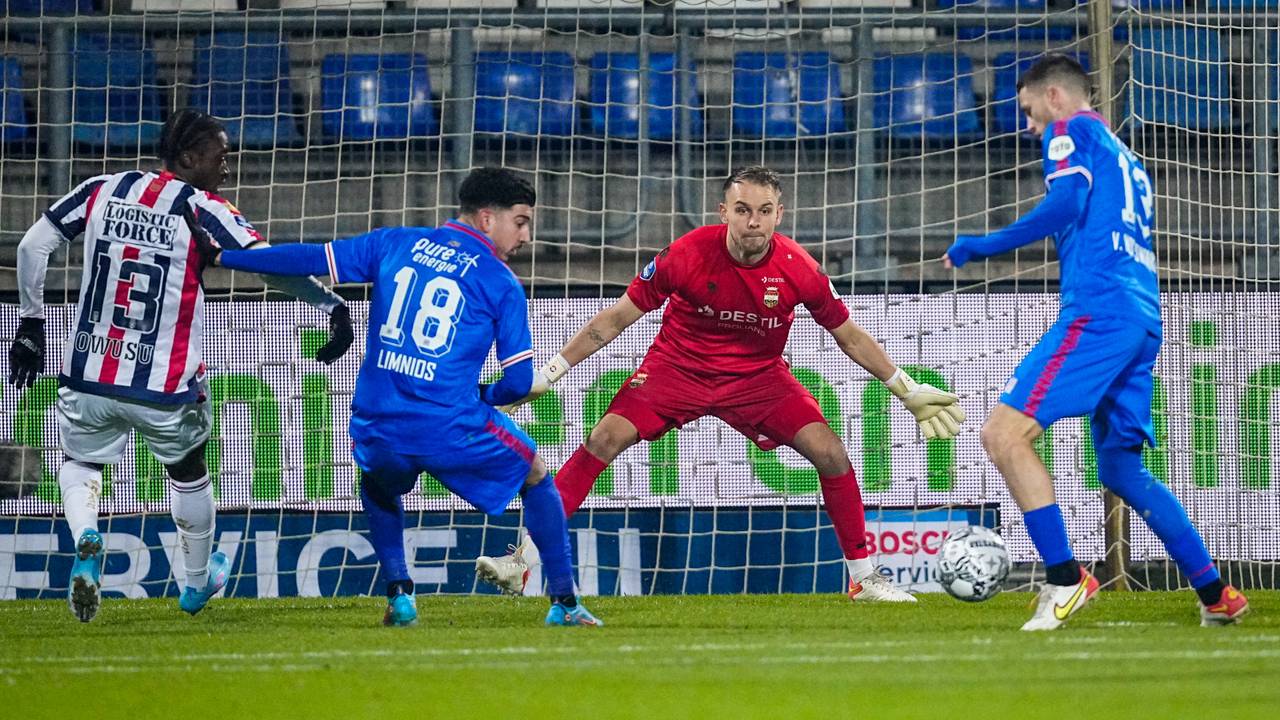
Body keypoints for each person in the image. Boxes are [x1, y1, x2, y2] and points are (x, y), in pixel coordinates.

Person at [476, 166, 965, 602]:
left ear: (780, 214)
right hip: (677, 369)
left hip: (758, 378)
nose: (754, 222)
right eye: (743, 210)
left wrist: (907, 389)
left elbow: (850, 335)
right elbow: (616, 319)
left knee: (833, 454)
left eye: (765, 211)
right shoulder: (685, 254)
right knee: (602, 439)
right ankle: (523, 561)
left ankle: (864, 579)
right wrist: (550, 373)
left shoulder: (800, 270)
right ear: (723, 212)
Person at [192, 167, 601, 627]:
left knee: (377, 483)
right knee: (536, 475)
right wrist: (483, 394)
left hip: (377, 421)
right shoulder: (499, 281)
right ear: (487, 219)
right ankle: (565, 602)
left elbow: (307, 259)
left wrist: (224, 258)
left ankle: (400, 595)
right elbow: (518, 382)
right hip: (448, 424)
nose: (526, 235)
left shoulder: (393, 243)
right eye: (521, 221)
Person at [9, 109, 353, 622]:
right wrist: (330, 306)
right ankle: (195, 584)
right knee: (189, 475)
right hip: (162, 386)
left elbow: (32, 245)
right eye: (221, 157)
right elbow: (271, 267)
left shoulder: (102, 187)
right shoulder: (204, 210)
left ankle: (86, 537)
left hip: (90, 374)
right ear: (190, 158)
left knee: (81, 465)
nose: (227, 169)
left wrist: (32, 323)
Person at [941, 54, 1248, 630]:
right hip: (1141, 318)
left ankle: (1064, 579)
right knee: (1120, 468)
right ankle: (1216, 592)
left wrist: (980, 245)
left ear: (1054, 97)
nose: (1030, 127)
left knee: (1003, 433)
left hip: (1100, 311)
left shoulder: (1068, 130)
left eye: (1030, 112)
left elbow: (1067, 203)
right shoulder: (1126, 156)